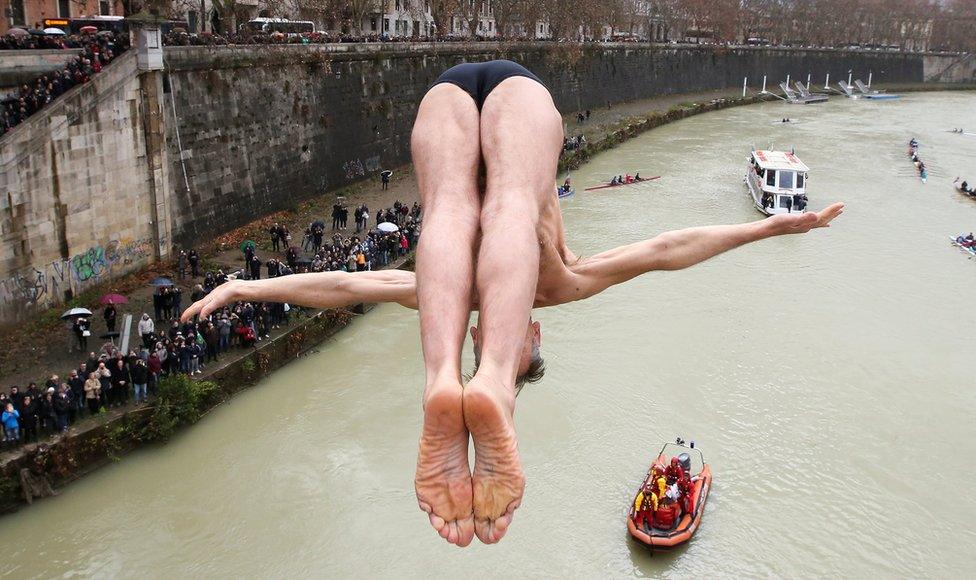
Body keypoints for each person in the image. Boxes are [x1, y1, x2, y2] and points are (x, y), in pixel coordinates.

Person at [183, 60, 844, 547]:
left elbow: (343, 287)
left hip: (473, 96)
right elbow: (669, 248)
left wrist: (248, 286)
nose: (494, 336)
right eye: (508, 354)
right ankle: (472, 383)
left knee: (457, 208)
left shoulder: (458, 295)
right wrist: (762, 227)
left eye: (485, 354)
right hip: (500, 98)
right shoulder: (552, 281)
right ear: (532, 334)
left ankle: (463, 380)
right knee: (495, 205)